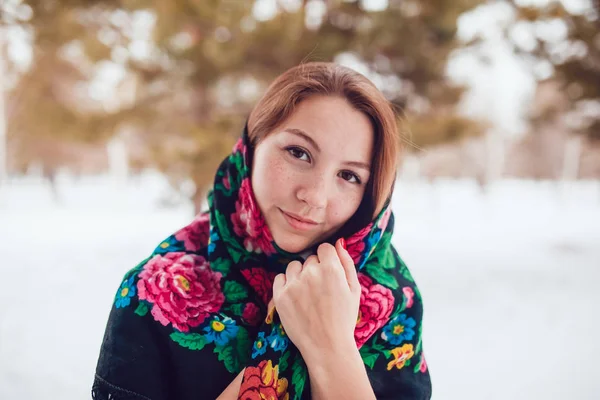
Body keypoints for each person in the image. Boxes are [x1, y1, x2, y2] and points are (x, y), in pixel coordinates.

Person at [92, 62, 432, 400]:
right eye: (298, 153)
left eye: (349, 176)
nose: (314, 196)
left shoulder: (392, 303)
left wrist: (332, 350)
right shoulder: (155, 291)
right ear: (252, 146)